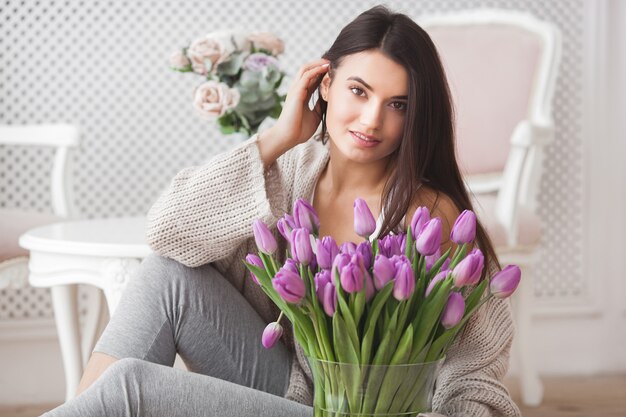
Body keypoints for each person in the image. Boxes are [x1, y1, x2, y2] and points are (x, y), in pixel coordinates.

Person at [43, 5, 521, 417]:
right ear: (326, 85)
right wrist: (276, 136)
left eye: (397, 104)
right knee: (165, 274)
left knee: (132, 387)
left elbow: (476, 373)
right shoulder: (289, 170)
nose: (373, 119)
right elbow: (168, 232)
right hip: (283, 384)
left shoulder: (429, 216)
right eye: (359, 91)